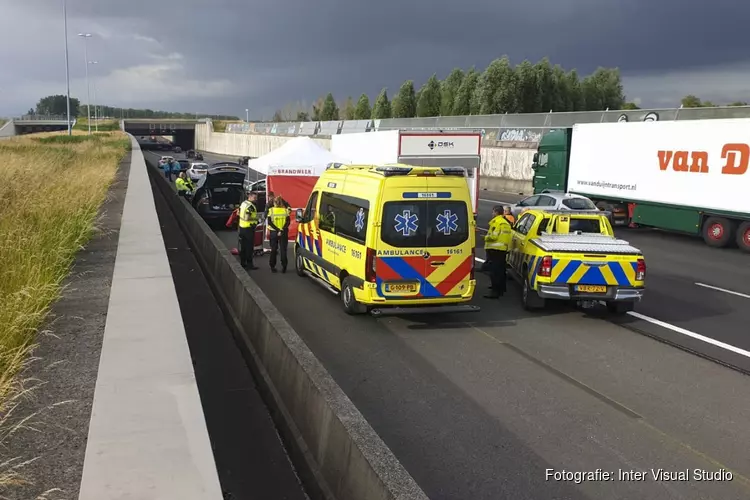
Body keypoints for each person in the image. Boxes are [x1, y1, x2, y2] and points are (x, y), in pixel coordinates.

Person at [483, 205, 513, 299]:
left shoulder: (497, 222)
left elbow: (494, 236)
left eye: (493, 212)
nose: (492, 214)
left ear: (496, 212)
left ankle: (495, 291)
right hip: (502, 250)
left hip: (495, 250)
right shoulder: (505, 223)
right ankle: (501, 289)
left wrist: (485, 237)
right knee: (501, 270)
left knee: (494, 272)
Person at [267, 196, 290, 273]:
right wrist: (281, 229)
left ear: (274, 203)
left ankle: (272, 266)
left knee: (273, 249)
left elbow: (269, 222)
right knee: (283, 249)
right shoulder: (285, 211)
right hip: (283, 232)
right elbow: (288, 222)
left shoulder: (271, 211)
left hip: (274, 232)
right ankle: (284, 266)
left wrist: (277, 230)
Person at [238, 192, 260, 269]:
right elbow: (247, 218)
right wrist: (256, 219)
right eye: (254, 198)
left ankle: (242, 263)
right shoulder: (250, 206)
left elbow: (238, 213)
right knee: (249, 248)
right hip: (248, 228)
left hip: (242, 227)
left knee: (243, 247)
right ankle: (249, 264)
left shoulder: (244, 203)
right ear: (249, 197)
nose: (256, 199)